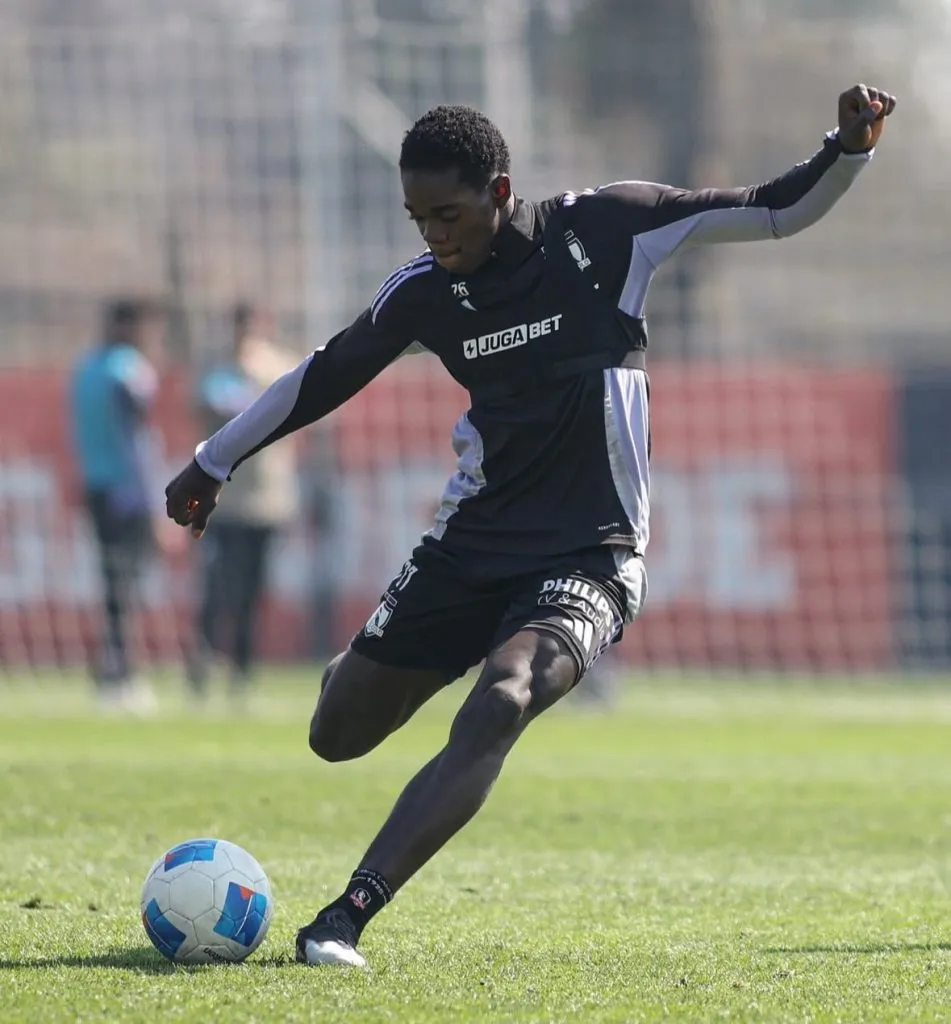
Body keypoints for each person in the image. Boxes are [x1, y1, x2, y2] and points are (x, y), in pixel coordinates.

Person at [165, 85, 895, 966]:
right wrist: (213, 461)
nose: (434, 236)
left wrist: (845, 149)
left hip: (591, 552)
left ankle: (344, 916)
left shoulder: (610, 231)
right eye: (417, 218)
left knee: (503, 697)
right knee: (336, 733)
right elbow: (324, 373)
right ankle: (383, 656)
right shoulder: (426, 293)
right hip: (471, 545)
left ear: (501, 193)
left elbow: (771, 211)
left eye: (448, 215)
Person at [186, 303, 300, 701]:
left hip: (266, 501)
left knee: (253, 590)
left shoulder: (279, 368)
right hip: (221, 501)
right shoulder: (213, 367)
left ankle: (241, 671)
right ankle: (201, 664)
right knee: (216, 587)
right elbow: (200, 408)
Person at [70, 298, 172, 711]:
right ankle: (123, 673)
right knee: (125, 583)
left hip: (97, 486)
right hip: (127, 493)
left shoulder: (85, 369)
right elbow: (136, 440)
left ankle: (112, 669)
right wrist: (154, 501)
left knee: (112, 580)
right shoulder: (128, 370)